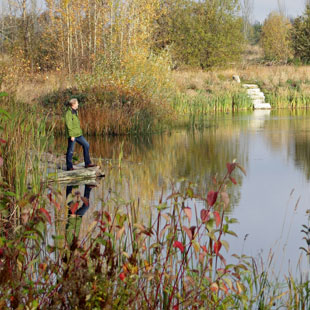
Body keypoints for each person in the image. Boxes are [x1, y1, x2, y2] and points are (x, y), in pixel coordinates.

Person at [65, 98, 96, 171]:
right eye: (77, 103)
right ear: (73, 104)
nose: (78, 104)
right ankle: (69, 167)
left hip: (78, 134)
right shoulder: (68, 113)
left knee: (86, 145)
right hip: (72, 135)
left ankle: (87, 163)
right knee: (71, 150)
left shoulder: (75, 112)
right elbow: (68, 124)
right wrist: (71, 135)